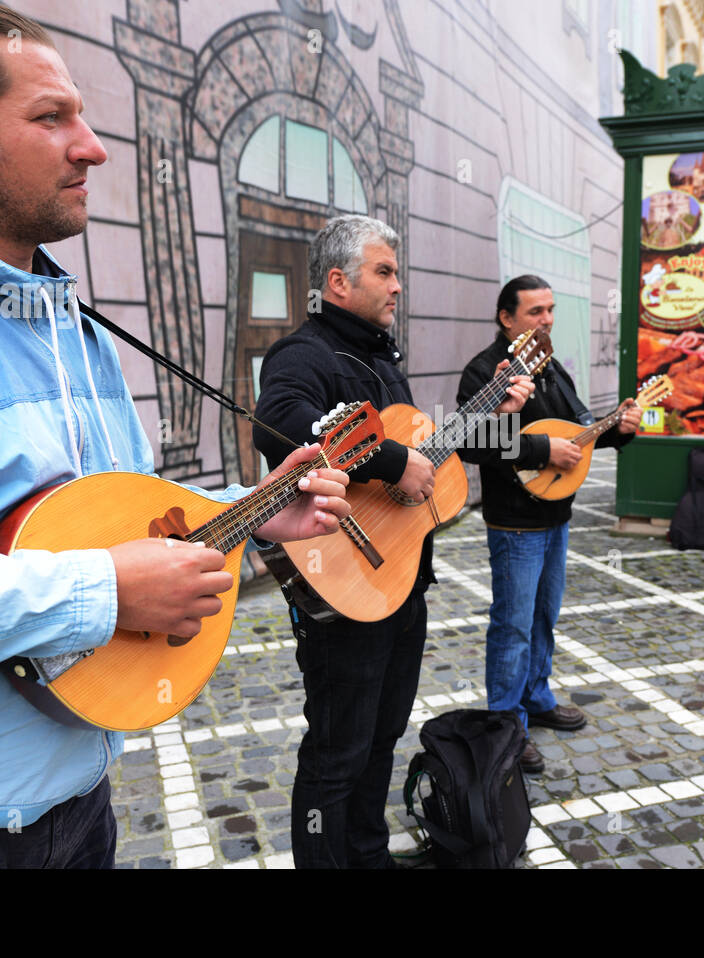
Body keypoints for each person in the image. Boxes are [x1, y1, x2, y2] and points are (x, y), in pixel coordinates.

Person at [0, 0, 351, 868]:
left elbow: (100, 529)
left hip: (74, 805)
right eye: (52, 117)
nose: (93, 145)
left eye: (84, 116)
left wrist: (247, 510)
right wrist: (101, 595)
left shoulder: (70, 326)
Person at [251, 215, 533, 868]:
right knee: (336, 750)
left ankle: (369, 855)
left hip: (401, 581)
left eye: (398, 273)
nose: (398, 286)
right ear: (337, 281)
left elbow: (424, 459)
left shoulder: (379, 359)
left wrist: (491, 424)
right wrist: (386, 461)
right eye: (385, 272)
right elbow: (280, 422)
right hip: (345, 586)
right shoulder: (308, 353)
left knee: (382, 737)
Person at [457, 275, 641, 774]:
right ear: (506, 317)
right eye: (536, 311)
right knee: (512, 626)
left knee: (543, 618)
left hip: (556, 515)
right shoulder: (484, 371)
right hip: (515, 523)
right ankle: (506, 728)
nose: (547, 320)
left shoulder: (552, 366)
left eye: (551, 309)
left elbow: (578, 435)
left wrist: (617, 429)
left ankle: (536, 697)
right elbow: (470, 443)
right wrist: (540, 450)